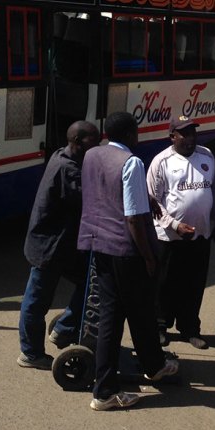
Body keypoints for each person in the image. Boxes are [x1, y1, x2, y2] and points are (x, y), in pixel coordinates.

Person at [78, 111, 178, 411]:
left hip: (99, 243)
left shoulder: (93, 154)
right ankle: (109, 388)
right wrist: (148, 256)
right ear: (132, 135)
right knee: (132, 311)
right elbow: (133, 218)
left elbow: (107, 194)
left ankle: (149, 366)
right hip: (126, 250)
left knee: (124, 312)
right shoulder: (131, 163)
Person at [17, 121, 100, 369]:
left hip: (62, 245)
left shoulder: (62, 155)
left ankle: (63, 328)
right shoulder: (68, 169)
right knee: (36, 301)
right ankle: (30, 354)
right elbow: (89, 201)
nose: (97, 144)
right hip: (50, 246)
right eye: (93, 140)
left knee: (89, 283)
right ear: (77, 141)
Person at [147, 116, 215, 351]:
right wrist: (174, 225)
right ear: (173, 137)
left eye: (192, 133)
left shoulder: (207, 156)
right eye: (184, 134)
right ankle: (159, 327)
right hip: (169, 237)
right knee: (165, 283)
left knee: (194, 283)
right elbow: (153, 201)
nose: (190, 138)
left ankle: (190, 328)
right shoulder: (162, 161)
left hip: (201, 235)